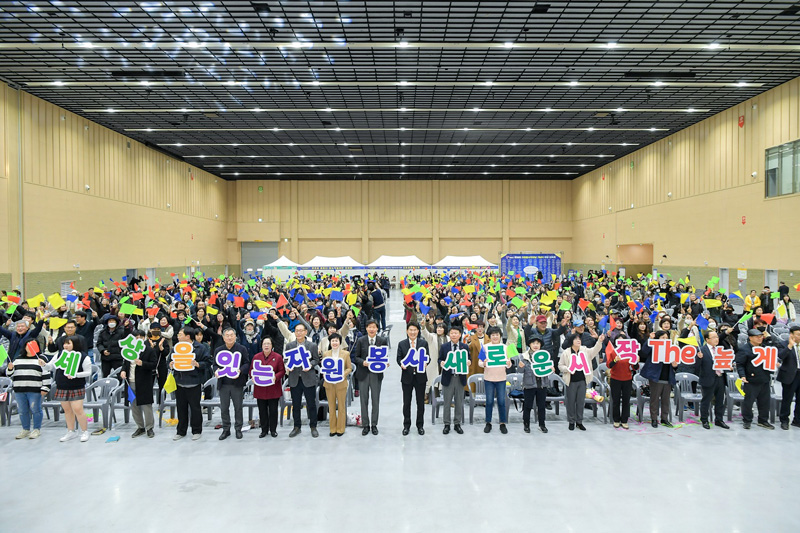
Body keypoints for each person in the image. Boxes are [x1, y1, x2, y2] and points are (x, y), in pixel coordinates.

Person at [43, 336, 92, 442]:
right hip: (62, 385)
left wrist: (76, 375)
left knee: (78, 409)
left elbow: (88, 372)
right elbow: (51, 366)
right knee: (67, 410)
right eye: (64, 343)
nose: (65, 346)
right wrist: (44, 365)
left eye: (68, 343)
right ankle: (71, 431)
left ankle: (84, 431)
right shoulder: (60, 354)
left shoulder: (84, 357)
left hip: (76, 386)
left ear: (75, 344)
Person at [170, 327, 212, 441]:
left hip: (194, 383)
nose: (178, 336)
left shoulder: (200, 347)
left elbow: (208, 362)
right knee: (181, 408)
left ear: (188, 336)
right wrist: (170, 364)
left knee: (195, 408)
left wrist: (198, 364)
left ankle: (197, 430)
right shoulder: (176, 348)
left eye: (180, 334)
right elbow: (169, 360)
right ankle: (181, 431)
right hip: (179, 382)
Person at [121, 328, 164, 438]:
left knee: (146, 406)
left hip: (144, 382)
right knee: (134, 406)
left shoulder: (149, 350)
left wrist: (142, 363)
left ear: (144, 338)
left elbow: (154, 365)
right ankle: (140, 427)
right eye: (136, 337)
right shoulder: (128, 350)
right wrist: (123, 371)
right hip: (130, 381)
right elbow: (125, 364)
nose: (138, 339)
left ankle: (150, 427)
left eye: (141, 337)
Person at [280, 322, 320, 438]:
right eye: (297, 330)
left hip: (308, 378)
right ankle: (297, 427)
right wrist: (287, 365)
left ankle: (313, 426)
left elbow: (316, 360)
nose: (299, 332)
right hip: (294, 379)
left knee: (311, 404)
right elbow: (286, 360)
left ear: (305, 332)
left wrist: (310, 365)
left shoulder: (312, 345)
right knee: (295, 404)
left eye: (301, 330)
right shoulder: (290, 346)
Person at [559, 331, 605, 431]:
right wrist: (567, 369)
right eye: (576, 339)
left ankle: (579, 421)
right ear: (571, 341)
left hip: (582, 380)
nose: (578, 341)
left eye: (579, 339)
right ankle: (571, 421)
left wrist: (599, 341)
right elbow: (560, 365)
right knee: (570, 402)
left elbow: (595, 350)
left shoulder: (585, 350)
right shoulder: (566, 352)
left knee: (580, 402)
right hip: (571, 381)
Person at [6, 340, 51, 439]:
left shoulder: (41, 358)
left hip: (35, 390)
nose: (30, 348)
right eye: (28, 345)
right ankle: (25, 429)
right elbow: (10, 374)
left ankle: (36, 429)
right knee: (22, 411)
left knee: (36, 410)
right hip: (19, 390)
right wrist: (10, 369)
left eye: (33, 345)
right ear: (25, 347)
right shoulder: (18, 359)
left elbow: (46, 374)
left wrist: (45, 387)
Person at [213, 328, 251, 440]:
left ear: (235, 336)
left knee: (238, 407)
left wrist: (240, 370)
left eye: (231, 335)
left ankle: (238, 429)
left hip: (237, 383)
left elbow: (247, 363)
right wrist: (215, 370)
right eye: (227, 335)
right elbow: (215, 364)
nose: (229, 337)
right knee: (224, 408)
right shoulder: (219, 350)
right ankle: (226, 429)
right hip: (223, 383)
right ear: (223, 337)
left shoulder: (241, 349)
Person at [352, 319, 388, 435]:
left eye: (374, 327)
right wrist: (363, 362)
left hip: (376, 375)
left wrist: (385, 363)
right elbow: (356, 357)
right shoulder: (361, 340)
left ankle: (374, 424)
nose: (372, 329)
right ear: (366, 328)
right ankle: (365, 425)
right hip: (363, 374)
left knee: (375, 400)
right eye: (369, 327)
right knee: (364, 400)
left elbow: (385, 356)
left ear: (377, 328)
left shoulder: (382, 340)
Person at [735, 328, 774, 430]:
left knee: (765, 402)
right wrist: (742, 376)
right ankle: (747, 420)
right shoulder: (744, 349)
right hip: (751, 380)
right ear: (750, 338)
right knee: (748, 402)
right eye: (757, 337)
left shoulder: (765, 348)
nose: (759, 338)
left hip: (764, 379)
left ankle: (763, 420)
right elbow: (740, 364)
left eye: (761, 336)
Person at [639, 330, 679, 428]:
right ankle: (654, 418)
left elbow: (676, 363)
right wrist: (650, 339)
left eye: (666, 338)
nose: (665, 340)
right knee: (654, 399)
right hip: (655, 376)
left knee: (666, 400)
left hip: (667, 377)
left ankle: (664, 419)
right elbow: (644, 351)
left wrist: (675, 365)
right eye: (662, 338)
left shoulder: (672, 348)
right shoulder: (653, 346)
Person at [477, 326, 512, 434]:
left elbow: (509, 364)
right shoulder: (485, 347)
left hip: (501, 378)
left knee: (501, 401)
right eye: (493, 335)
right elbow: (479, 362)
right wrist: (484, 363)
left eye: (497, 335)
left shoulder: (506, 347)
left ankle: (502, 423)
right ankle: (488, 422)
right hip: (488, 378)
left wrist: (509, 363)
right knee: (489, 401)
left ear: (500, 336)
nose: (495, 337)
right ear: (490, 336)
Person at [397, 322, 429, 436]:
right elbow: (399, 358)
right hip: (407, 377)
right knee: (407, 403)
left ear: (418, 331)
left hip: (420, 377)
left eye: (415, 330)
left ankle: (420, 425)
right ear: (407, 331)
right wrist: (401, 364)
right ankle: (406, 425)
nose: (413, 332)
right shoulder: (402, 344)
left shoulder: (423, 343)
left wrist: (426, 363)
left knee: (420, 403)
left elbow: (427, 358)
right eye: (410, 330)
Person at [250, 337, 285, 438]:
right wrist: (253, 377)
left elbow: (282, 371)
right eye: (264, 343)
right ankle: (264, 430)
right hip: (260, 388)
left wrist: (276, 377)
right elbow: (251, 370)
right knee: (262, 410)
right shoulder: (256, 357)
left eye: (268, 344)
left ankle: (273, 430)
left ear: (272, 346)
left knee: (273, 411)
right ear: (261, 345)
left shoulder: (278, 357)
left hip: (273, 388)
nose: (266, 345)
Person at [514, 335, 549, 433]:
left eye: (538, 343)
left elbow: (548, 371)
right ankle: (526, 424)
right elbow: (520, 372)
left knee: (541, 406)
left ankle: (542, 424)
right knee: (528, 406)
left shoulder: (544, 356)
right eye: (533, 343)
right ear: (529, 344)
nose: (536, 345)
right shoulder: (524, 356)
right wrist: (520, 366)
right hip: (529, 385)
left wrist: (551, 369)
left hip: (542, 384)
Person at [696, 330, 730, 430]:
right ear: (707, 339)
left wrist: (729, 366)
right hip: (708, 378)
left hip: (720, 378)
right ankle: (704, 420)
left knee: (720, 400)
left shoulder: (720, 349)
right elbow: (696, 366)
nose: (717, 339)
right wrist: (699, 358)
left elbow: (724, 362)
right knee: (706, 400)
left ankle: (719, 419)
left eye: (717, 337)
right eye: (714, 337)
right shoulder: (702, 350)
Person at [439, 325, 469, 435]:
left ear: (460, 334)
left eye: (456, 333)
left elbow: (468, 359)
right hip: (448, 378)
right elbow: (440, 359)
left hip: (460, 378)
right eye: (452, 333)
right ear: (449, 334)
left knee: (459, 401)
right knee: (447, 402)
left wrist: (468, 362)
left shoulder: (464, 347)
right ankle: (446, 424)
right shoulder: (444, 347)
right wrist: (441, 362)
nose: (454, 335)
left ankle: (457, 423)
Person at [321, 333, 352, 437]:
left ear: (340, 342)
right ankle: (332, 428)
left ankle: (340, 429)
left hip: (341, 383)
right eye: (332, 341)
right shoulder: (326, 354)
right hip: (329, 384)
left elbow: (349, 368)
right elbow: (324, 368)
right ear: (330, 342)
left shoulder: (345, 354)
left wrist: (344, 373)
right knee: (331, 406)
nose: (334, 343)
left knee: (341, 406)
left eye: (336, 341)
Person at [606, 333, 635, 429]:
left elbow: (634, 367)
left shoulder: (630, 352)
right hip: (615, 379)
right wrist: (615, 360)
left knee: (626, 401)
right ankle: (616, 419)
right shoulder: (613, 352)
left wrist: (636, 361)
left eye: (623, 340)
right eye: (619, 341)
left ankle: (624, 420)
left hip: (627, 379)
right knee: (616, 400)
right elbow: (609, 365)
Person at [777, 325, 800, 430]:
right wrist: (790, 346)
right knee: (787, 399)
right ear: (791, 335)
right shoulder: (783, 344)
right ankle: (784, 420)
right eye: (798, 334)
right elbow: (780, 356)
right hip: (790, 375)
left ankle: (797, 420)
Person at [96, 314, 127, 379]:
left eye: (113, 321)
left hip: (117, 358)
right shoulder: (103, 332)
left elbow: (126, 340)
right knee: (105, 376)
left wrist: (127, 328)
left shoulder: (121, 331)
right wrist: (103, 350)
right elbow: (99, 343)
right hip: (106, 359)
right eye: (110, 321)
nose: (111, 323)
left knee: (120, 377)